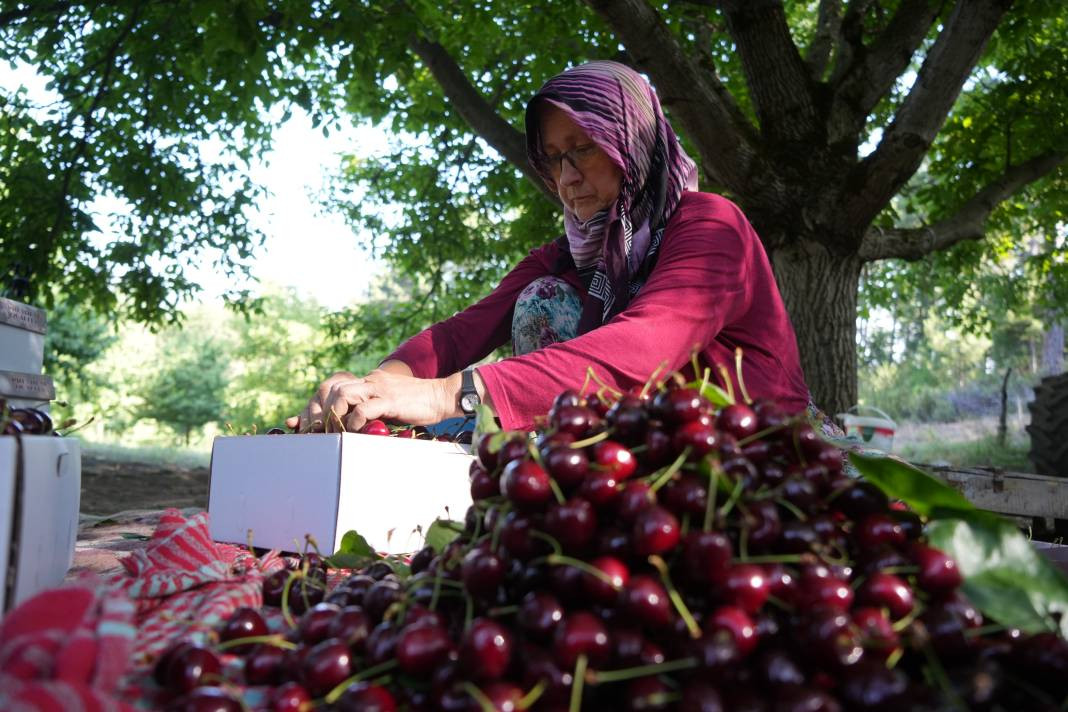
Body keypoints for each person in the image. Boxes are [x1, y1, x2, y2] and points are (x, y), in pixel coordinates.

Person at [287, 60, 811, 435]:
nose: (567, 177)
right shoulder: (564, 259)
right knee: (538, 295)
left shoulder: (711, 227)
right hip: (636, 450)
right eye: (554, 158)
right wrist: (372, 386)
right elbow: (457, 336)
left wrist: (448, 394)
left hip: (748, 443)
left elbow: (647, 347)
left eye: (584, 149)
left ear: (633, 143)